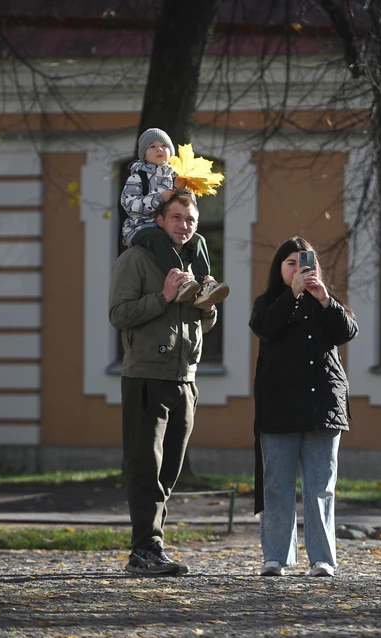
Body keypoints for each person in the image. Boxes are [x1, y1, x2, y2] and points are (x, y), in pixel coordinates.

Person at [109, 194, 218, 576]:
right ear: (159, 219)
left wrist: (207, 309)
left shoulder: (194, 261)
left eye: (190, 219)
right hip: (146, 377)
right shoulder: (136, 259)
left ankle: (151, 545)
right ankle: (145, 549)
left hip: (184, 377)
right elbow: (119, 314)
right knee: (145, 468)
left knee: (168, 469)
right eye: (176, 217)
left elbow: (201, 325)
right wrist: (165, 296)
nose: (184, 225)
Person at [249, 236, 359, 577]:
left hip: (323, 404)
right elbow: (264, 328)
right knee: (277, 485)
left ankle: (322, 558)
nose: (298, 269)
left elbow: (347, 332)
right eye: (290, 264)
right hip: (279, 405)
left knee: (320, 485)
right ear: (279, 269)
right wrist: (292, 294)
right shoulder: (267, 303)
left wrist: (324, 298)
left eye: (304, 263)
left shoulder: (325, 302)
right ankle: (276, 557)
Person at [120, 127, 229, 308]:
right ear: (144, 155)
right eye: (152, 147)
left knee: (198, 239)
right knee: (158, 237)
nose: (159, 150)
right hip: (140, 227)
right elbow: (129, 204)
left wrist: (180, 189)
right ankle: (181, 281)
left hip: (167, 225)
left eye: (163, 146)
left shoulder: (176, 175)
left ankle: (204, 285)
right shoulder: (138, 177)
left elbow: (189, 206)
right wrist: (157, 199)